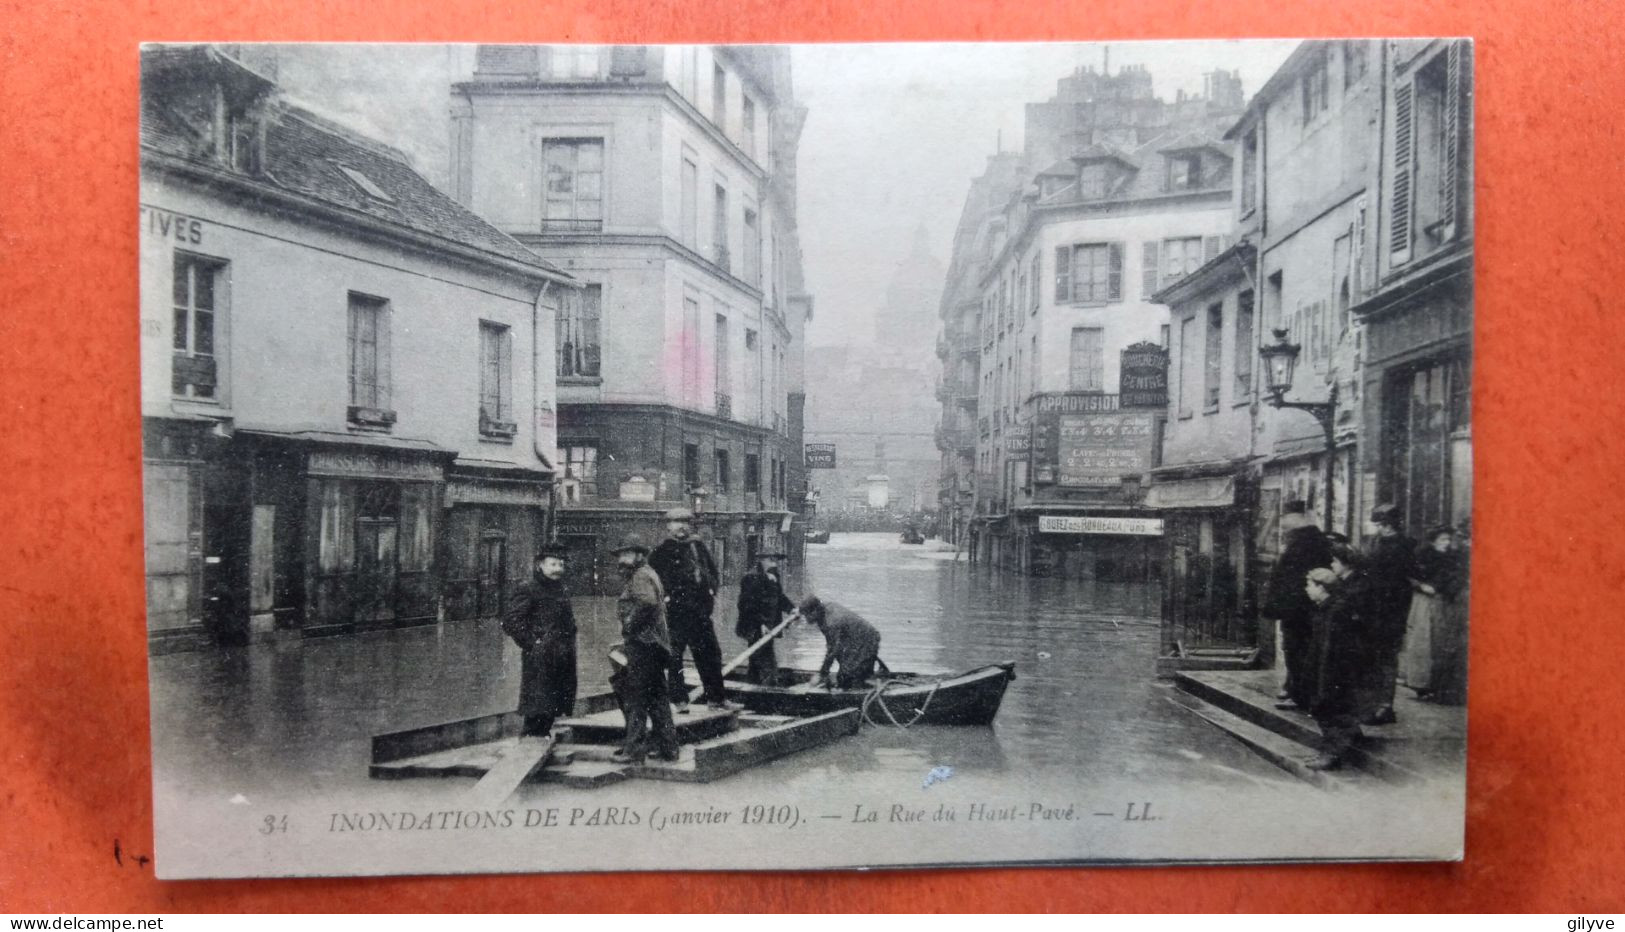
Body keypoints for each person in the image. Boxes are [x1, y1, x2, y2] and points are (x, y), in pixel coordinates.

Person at [648, 507, 734, 711]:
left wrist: (711, 592)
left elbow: (712, 572)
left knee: (711, 654)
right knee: (674, 657)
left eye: (685, 522)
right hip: (674, 614)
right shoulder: (661, 552)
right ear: (668, 526)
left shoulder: (698, 547)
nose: (681, 526)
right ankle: (679, 700)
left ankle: (717, 698)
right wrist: (666, 599)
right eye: (676, 522)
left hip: (700, 612)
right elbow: (653, 582)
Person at [608, 535, 680, 764]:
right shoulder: (648, 573)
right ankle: (668, 748)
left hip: (643, 645)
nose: (622, 559)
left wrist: (629, 626)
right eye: (620, 555)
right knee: (658, 698)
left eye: (627, 554)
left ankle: (634, 748)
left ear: (639, 555)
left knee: (635, 697)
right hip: (656, 646)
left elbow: (647, 603)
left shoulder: (639, 576)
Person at [1260, 500, 1333, 712]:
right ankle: (1295, 690)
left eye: (1285, 517)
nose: (1282, 522)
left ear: (1298, 517)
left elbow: (1298, 578)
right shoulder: (1303, 539)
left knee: (1298, 650)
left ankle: (1301, 695)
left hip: (1300, 608)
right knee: (1295, 649)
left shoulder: (1307, 541)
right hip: (1297, 607)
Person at [500, 543, 578, 738]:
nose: (558, 569)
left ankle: (541, 740)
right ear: (540, 566)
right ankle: (529, 744)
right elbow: (511, 621)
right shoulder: (528, 588)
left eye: (561, 565)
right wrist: (533, 644)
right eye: (553, 564)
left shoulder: (561, 589)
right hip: (541, 658)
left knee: (553, 704)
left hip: (562, 655)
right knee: (537, 706)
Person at [1303, 566, 1373, 771]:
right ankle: (1336, 747)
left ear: (1322, 588)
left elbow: (1329, 651)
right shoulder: (1326, 608)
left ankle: (1331, 754)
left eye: (1309, 585)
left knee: (1330, 711)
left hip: (1334, 673)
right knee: (1329, 710)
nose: (1306, 589)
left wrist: (1322, 681)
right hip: (1328, 671)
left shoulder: (1334, 612)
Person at [1361, 503, 1416, 725]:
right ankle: (1374, 704)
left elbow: (1402, 582)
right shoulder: (1375, 542)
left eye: (1385, 525)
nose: (1382, 529)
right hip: (1372, 607)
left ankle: (1385, 706)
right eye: (1380, 525)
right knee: (1374, 657)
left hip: (1390, 610)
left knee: (1385, 658)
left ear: (1393, 525)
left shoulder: (1403, 547)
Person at [1400, 525, 1467, 700]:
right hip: (1423, 601)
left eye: (1449, 540)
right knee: (1422, 640)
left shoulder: (1452, 559)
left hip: (1444, 602)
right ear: (1433, 541)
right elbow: (1409, 576)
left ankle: (1437, 685)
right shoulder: (1422, 557)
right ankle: (1420, 683)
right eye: (1443, 539)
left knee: (1441, 641)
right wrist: (1421, 586)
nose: (1447, 543)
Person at [735, 550, 795, 686]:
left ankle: (752, 687)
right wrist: (760, 623)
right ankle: (768, 690)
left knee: (757, 658)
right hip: (755, 626)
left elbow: (779, 597)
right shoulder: (751, 578)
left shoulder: (773, 576)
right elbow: (746, 605)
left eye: (776, 560)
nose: (776, 564)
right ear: (762, 560)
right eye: (772, 560)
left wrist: (791, 609)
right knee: (766, 660)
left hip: (769, 626)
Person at [799, 595, 884, 689]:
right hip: (854, 640)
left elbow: (833, 650)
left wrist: (822, 674)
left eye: (807, 615)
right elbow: (834, 646)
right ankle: (864, 682)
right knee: (847, 673)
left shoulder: (832, 622)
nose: (806, 619)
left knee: (847, 677)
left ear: (815, 611)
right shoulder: (824, 609)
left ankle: (869, 688)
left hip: (866, 640)